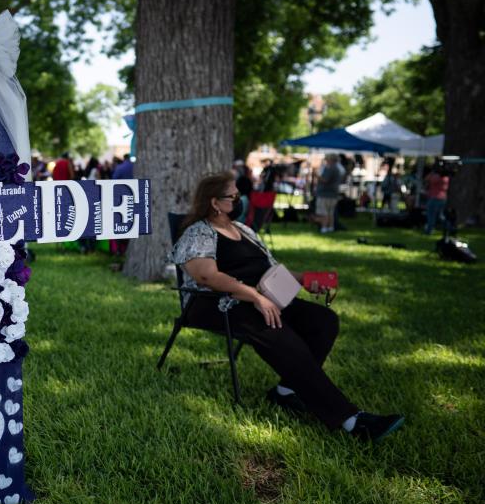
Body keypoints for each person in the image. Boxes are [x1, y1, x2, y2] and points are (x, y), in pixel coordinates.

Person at [170, 172, 404, 442]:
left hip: (262, 298)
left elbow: (271, 269)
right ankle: (351, 420)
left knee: (323, 320)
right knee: (279, 332)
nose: (240, 200)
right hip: (216, 303)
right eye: (233, 196)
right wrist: (255, 297)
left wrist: (305, 280)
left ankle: (285, 392)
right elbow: (206, 277)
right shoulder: (199, 232)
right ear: (214, 202)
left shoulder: (244, 230)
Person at [314, 154, 343, 233]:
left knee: (324, 212)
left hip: (325, 194)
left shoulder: (330, 168)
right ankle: (330, 227)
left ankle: (324, 227)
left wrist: (316, 175)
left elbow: (325, 180)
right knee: (330, 212)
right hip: (333, 194)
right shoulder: (337, 169)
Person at [423, 162, 450, 234]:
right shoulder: (446, 178)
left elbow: (426, 179)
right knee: (440, 216)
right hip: (443, 198)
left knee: (431, 215)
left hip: (434, 198)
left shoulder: (436, 177)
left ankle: (429, 230)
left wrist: (432, 173)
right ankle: (449, 228)